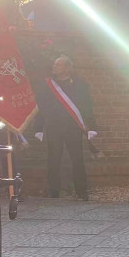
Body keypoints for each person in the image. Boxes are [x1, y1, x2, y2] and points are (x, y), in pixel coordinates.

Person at [33, 55, 97, 200]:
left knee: (77, 159)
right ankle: (53, 191)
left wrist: (91, 126)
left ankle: (81, 191)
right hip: (53, 126)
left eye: (59, 65)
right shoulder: (47, 85)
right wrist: (38, 128)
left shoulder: (79, 85)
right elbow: (41, 107)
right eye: (54, 64)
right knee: (53, 159)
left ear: (68, 68)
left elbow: (86, 106)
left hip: (72, 127)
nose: (54, 67)